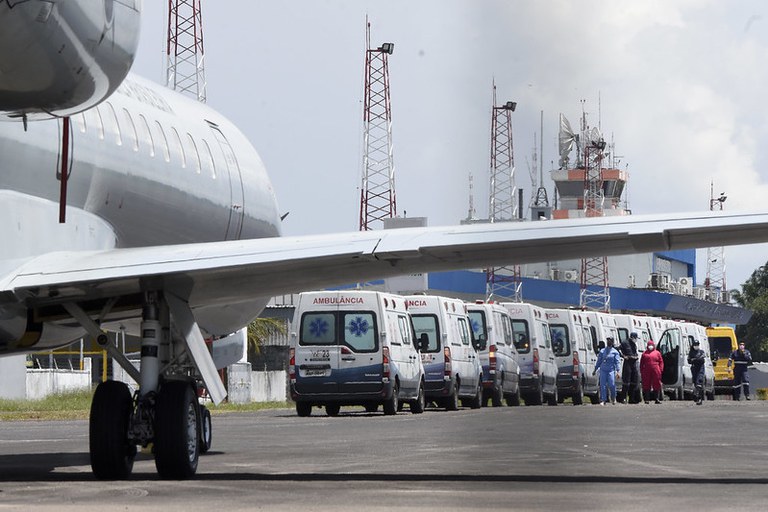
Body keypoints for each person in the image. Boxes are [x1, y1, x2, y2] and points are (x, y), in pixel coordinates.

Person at [593, 337, 621, 405]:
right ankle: (603, 399)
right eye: (608, 340)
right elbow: (599, 361)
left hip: (611, 370)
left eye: (610, 341)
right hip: (603, 370)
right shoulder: (602, 351)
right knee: (602, 385)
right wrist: (595, 369)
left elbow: (617, 362)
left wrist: (618, 371)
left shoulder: (615, 352)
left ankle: (613, 397)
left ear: (612, 342)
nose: (609, 342)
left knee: (611, 384)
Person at [618, 332, 640, 404]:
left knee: (634, 381)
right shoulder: (625, 343)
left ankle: (631, 398)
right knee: (626, 382)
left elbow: (635, 352)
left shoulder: (634, 344)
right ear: (632, 337)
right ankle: (623, 398)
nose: (636, 340)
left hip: (634, 362)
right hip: (627, 363)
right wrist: (623, 356)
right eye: (635, 338)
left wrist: (636, 356)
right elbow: (618, 349)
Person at [687, 339, 706, 405]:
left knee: (699, 383)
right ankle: (697, 397)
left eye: (697, 345)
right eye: (695, 345)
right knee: (695, 383)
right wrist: (695, 360)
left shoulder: (701, 352)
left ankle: (699, 397)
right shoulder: (691, 353)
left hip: (700, 369)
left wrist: (694, 359)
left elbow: (702, 360)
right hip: (694, 369)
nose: (696, 346)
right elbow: (689, 361)